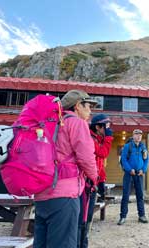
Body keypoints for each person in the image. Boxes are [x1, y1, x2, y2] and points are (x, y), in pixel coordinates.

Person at [33, 89, 98, 248]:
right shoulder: (76, 123)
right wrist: (95, 177)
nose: (90, 110)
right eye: (88, 106)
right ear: (77, 106)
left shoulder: (48, 123)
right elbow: (86, 157)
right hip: (64, 195)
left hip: (41, 194)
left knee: (42, 243)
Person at [78, 113, 114, 248]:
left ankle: (84, 243)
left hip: (94, 183)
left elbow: (99, 162)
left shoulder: (98, 138)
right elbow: (102, 153)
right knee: (83, 218)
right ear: (98, 127)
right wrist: (109, 139)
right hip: (86, 184)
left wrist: (102, 180)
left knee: (88, 218)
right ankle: (80, 244)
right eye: (107, 126)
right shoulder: (90, 139)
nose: (109, 129)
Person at [117, 129, 149, 225]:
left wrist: (143, 170)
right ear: (133, 135)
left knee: (140, 195)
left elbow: (146, 160)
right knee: (125, 195)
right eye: (136, 134)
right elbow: (123, 159)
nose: (138, 136)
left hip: (139, 174)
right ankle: (123, 216)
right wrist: (129, 169)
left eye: (140, 135)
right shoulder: (127, 146)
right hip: (129, 174)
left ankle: (142, 215)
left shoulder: (143, 147)